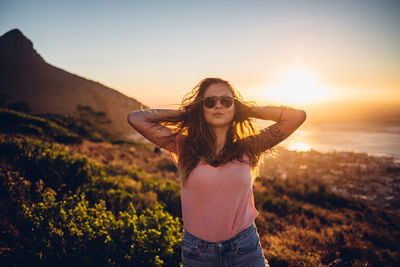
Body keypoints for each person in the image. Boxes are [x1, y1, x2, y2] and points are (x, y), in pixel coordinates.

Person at [127, 77, 306, 267]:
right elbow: (136, 118)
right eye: (210, 102)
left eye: (227, 101)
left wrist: (246, 110)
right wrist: (188, 114)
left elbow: (297, 116)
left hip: (244, 248)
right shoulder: (184, 146)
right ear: (200, 107)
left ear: (234, 106)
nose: (218, 106)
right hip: (198, 253)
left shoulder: (250, 146)